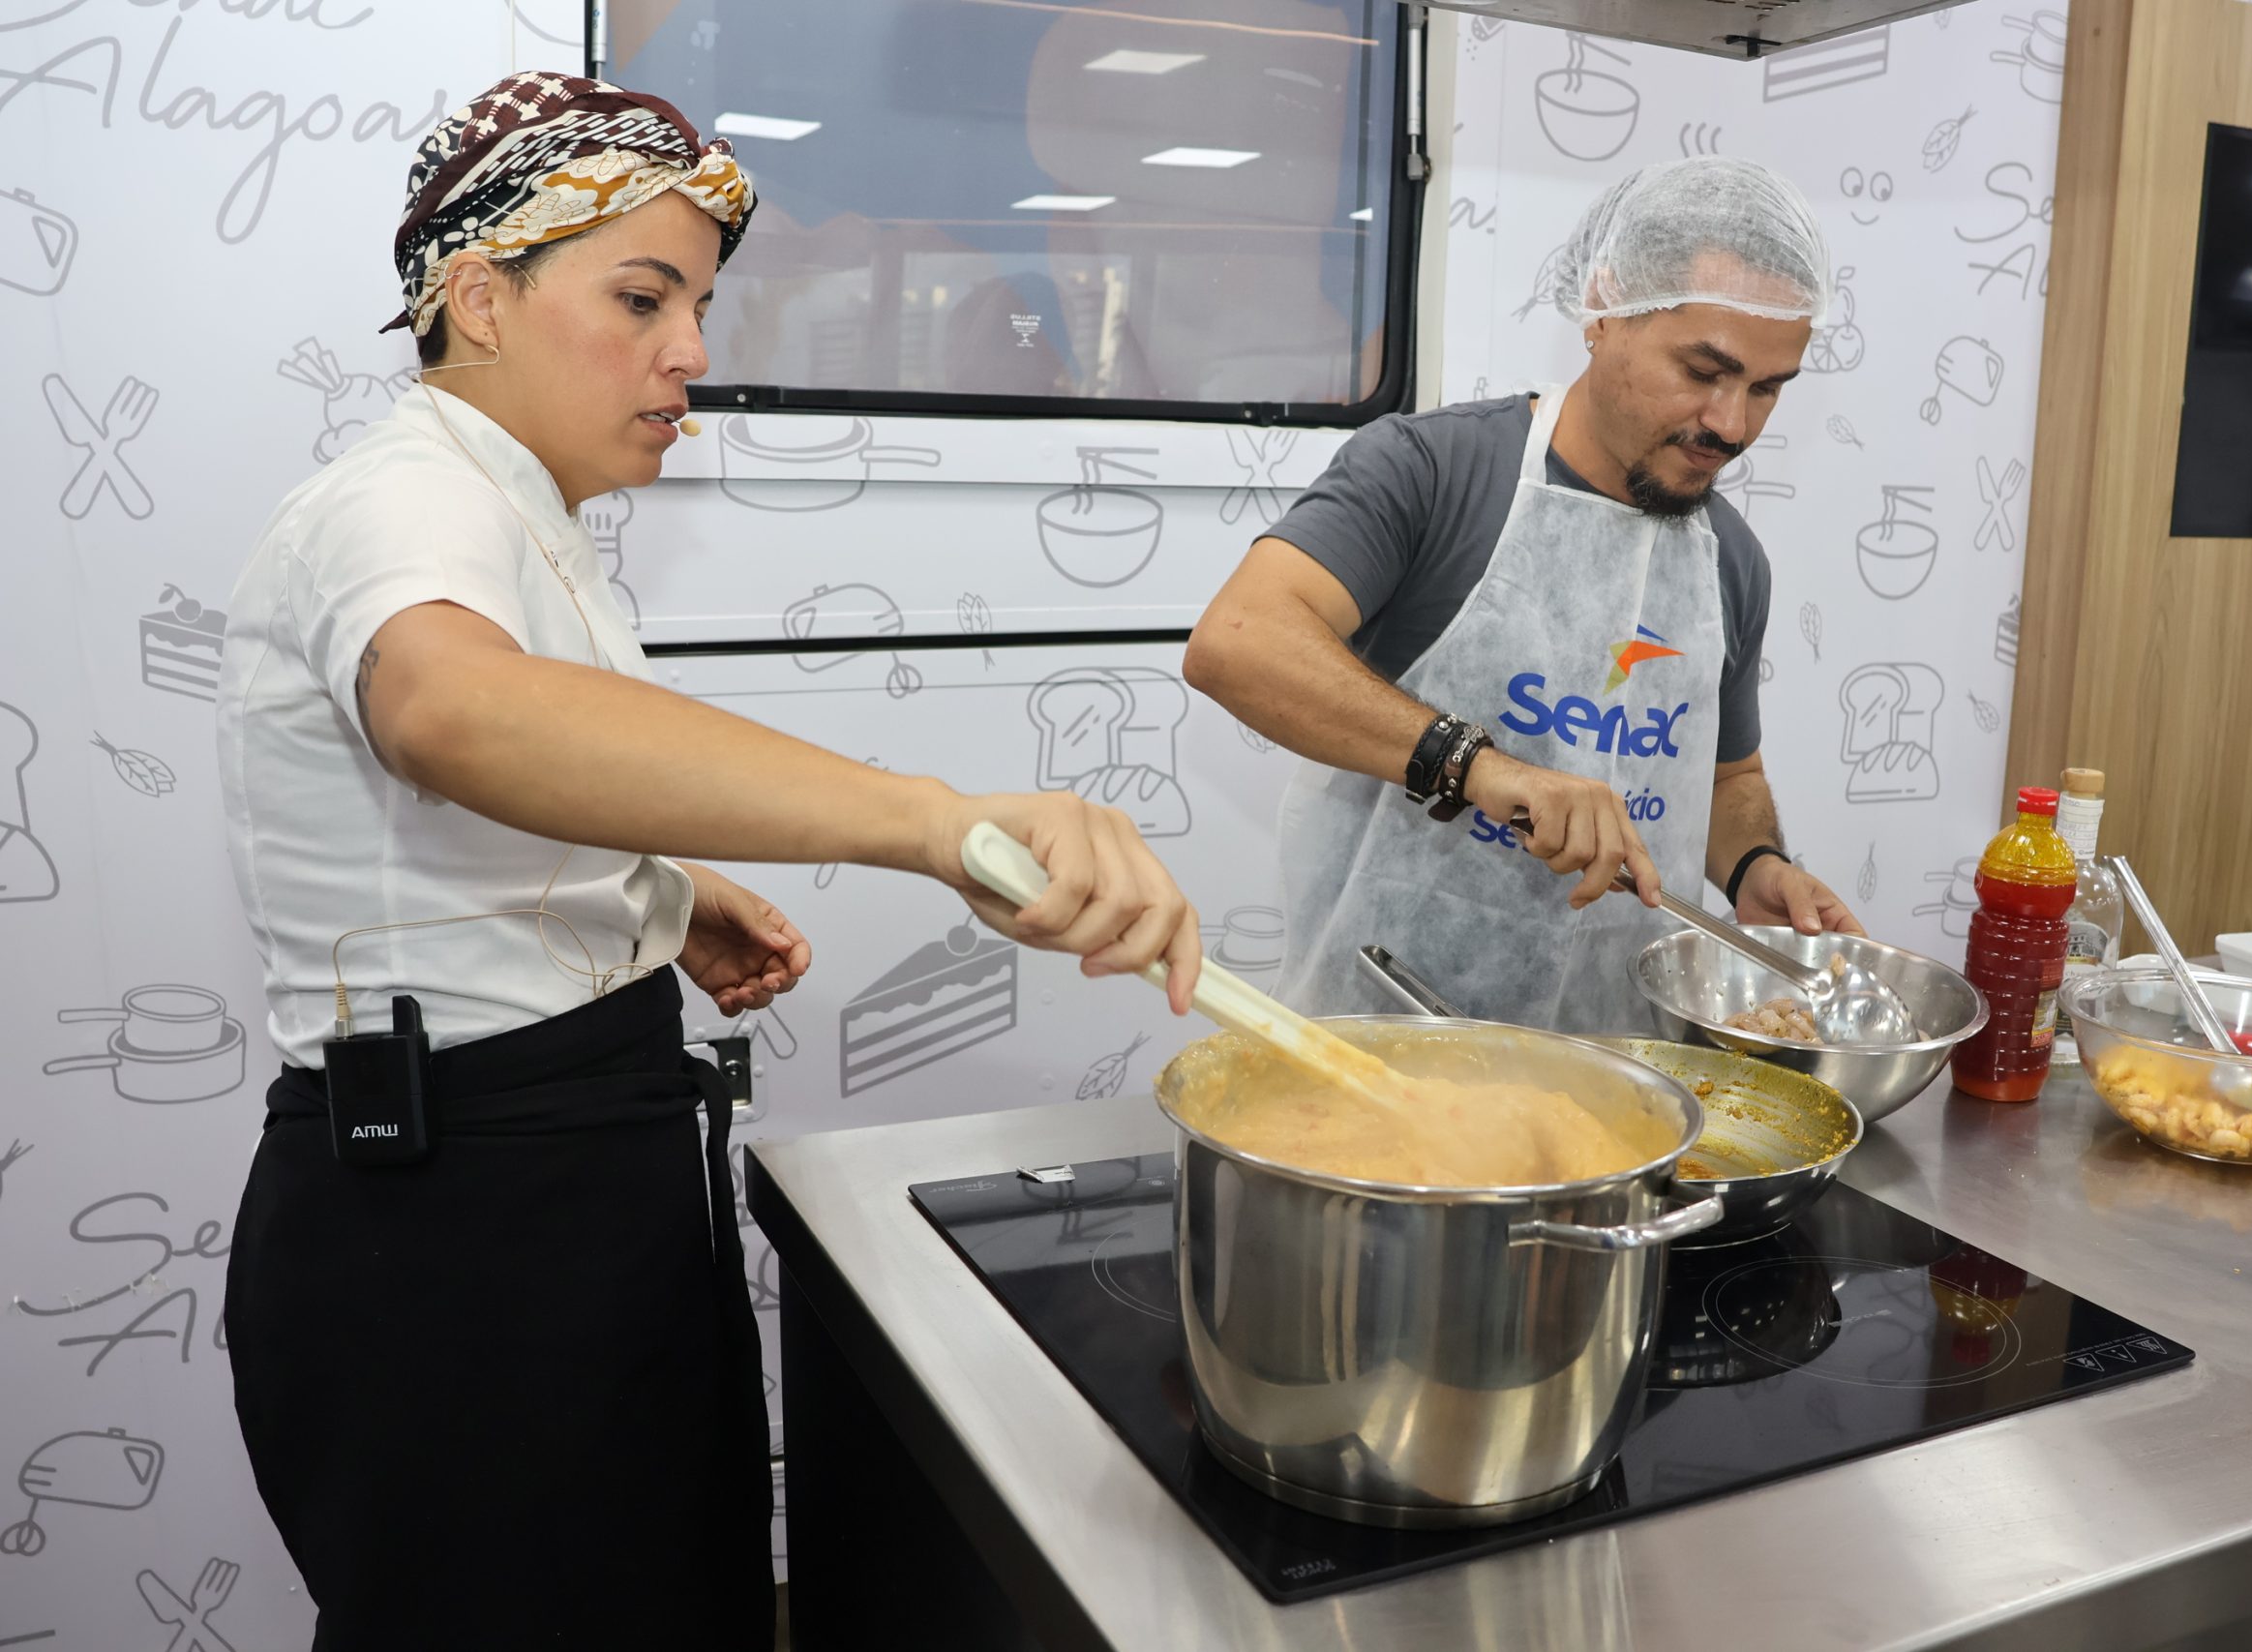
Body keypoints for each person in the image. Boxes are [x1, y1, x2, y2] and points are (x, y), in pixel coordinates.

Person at [215, 74, 1202, 1652]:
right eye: (643, 297)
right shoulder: (399, 493)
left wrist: (660, 898)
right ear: (479, 297)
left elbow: (481, 808)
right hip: (459, 1224)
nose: (694, 352)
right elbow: (451, 711)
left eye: (701, 304)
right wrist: (934, 821)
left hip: (575, 1161)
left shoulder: (521, 515)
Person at [1185, 158, 1861, 1035]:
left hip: (1621, 1079)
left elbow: (1727, 776)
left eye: (1767, 388)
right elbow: (1238, 640)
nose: (1732, 426)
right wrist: (1481, 768)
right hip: (1381, 1057)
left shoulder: (1729, 558)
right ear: (1605, 311)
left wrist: (1754, 863)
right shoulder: (1431, 472)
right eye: (1703, 371)